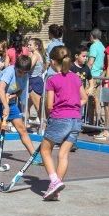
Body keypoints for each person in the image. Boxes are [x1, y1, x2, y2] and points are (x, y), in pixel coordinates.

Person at [38, 46, 87, 200]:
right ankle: (55, 189)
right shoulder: (76, 78)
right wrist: (74, 105)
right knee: (63, 154)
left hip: (60, 118)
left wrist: (49, 119)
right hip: (75, 119)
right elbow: (84, 98)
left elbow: (49, 105)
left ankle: (54, 180)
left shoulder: (53, 80)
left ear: (53, 62)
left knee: (45, 151)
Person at [0, 54, 39, 166]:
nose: (21, 75)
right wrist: (5, 106)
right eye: (20, 72)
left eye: (24, 73)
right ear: (15, 67)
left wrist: (12, 97)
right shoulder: (9, 71)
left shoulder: (25, 75)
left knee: (22, 128)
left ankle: (34, 155)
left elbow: (19, 91)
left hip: (10, 102)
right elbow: (1, 88)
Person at [87, 28, 106, 126]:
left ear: (92, 36)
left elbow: (91, 62)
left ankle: (91, 123)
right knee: (97, 99)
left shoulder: (93, 46)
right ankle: (98, 121)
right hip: (99, 74)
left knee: (91, 100)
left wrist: (86, 73)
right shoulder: (102, 46)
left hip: (93, 75)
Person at [26, 37, 46, 127]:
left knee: (38, 107)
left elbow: (28, 66)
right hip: (34, 80)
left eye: (30, 45)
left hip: (34, 81)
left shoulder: (35, 55)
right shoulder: (37, 54)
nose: (28, 46)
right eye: (28, 44)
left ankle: (44, 127)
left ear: (36, 46)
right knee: (27, 105)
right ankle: (24, 124)